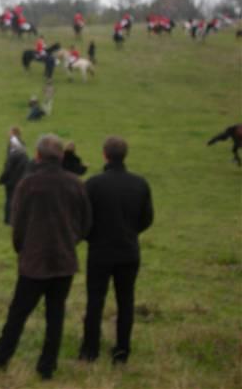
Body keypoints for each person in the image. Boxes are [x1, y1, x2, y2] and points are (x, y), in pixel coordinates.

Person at [0, 134, 92, 380]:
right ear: (62, 156)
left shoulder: (28, 184)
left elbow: (17, 224)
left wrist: (23, 249)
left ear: (38, 156)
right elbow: (86, 223)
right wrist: (70, 241)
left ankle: (1, 359)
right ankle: (47, 367)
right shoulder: (76, 184)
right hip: (64, 261)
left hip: (34, 261)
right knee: (56, 315)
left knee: (17, 313)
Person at [79, 136, 154, 365]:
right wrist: (131, 232)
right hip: (129, 251)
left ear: (105, 155)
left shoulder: (93, 184)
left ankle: (90, 351)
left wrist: (91, 237)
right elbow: (147, 218)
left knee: (95, 300)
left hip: (100, 251)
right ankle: (121, 352)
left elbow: (83, 219)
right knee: (126, 301)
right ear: (125, 155)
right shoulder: (140, 184)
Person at [0, 127, 29, 225]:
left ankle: (9, 219)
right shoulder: (23, 152)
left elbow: (8, 168)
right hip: (21, 178)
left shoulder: (13, 152)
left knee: (10, 199)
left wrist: (2, 179)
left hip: (11, 180)